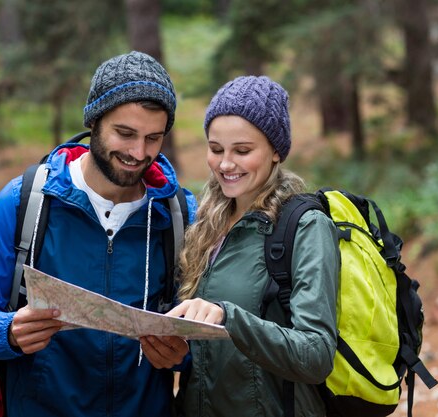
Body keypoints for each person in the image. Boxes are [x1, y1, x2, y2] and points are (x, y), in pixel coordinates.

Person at [0, 51, 196, 417]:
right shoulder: (26, 201)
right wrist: (7, 332)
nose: (138, 152)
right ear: (94, 122)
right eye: (125, 133)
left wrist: (182, 354)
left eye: (153, 138)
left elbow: (202, 325)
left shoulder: (179, 214)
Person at [145, 75, 341, 416]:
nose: (225, 164)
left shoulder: (305, 227)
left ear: (276, 151)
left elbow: (316, 354)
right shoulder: (205, 223)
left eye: (243, 151)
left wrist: (228, 318)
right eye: (216, 149)